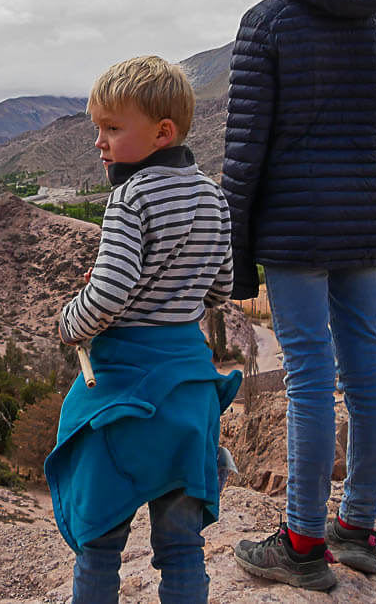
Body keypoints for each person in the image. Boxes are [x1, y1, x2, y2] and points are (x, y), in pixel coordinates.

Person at [224, 0, 376, 591]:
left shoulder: (268, 23)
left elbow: (245, 154)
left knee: (307, 380)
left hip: (295, 231)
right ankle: (356, 529)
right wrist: (375, 220)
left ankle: (301, 542)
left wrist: (238, 265)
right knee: (366, 372)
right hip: (362, 222)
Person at [45, 55, 242, 604]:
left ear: (162, 132)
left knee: (99, 544)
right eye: (97, 128)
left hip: (126, 396)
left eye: (112, 128)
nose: (99, 142)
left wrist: (69, 322)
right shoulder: (212, 195)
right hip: (188, 394)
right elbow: (221, 287)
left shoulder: (129, 198)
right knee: (181, 549)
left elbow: (106, 296)